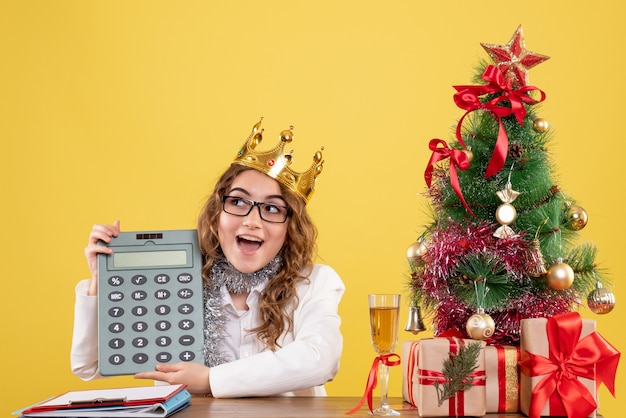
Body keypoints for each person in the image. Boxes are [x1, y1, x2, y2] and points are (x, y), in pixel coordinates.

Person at [70, 119, 345, 397]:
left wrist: (211, 380)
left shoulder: (314, 282)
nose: (252, 221)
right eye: (238, 202)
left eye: (272, 209)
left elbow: (321, 358)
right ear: (216, 217)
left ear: (290, 229)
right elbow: (87, 365)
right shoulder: (174, 281)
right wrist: (100, 280)